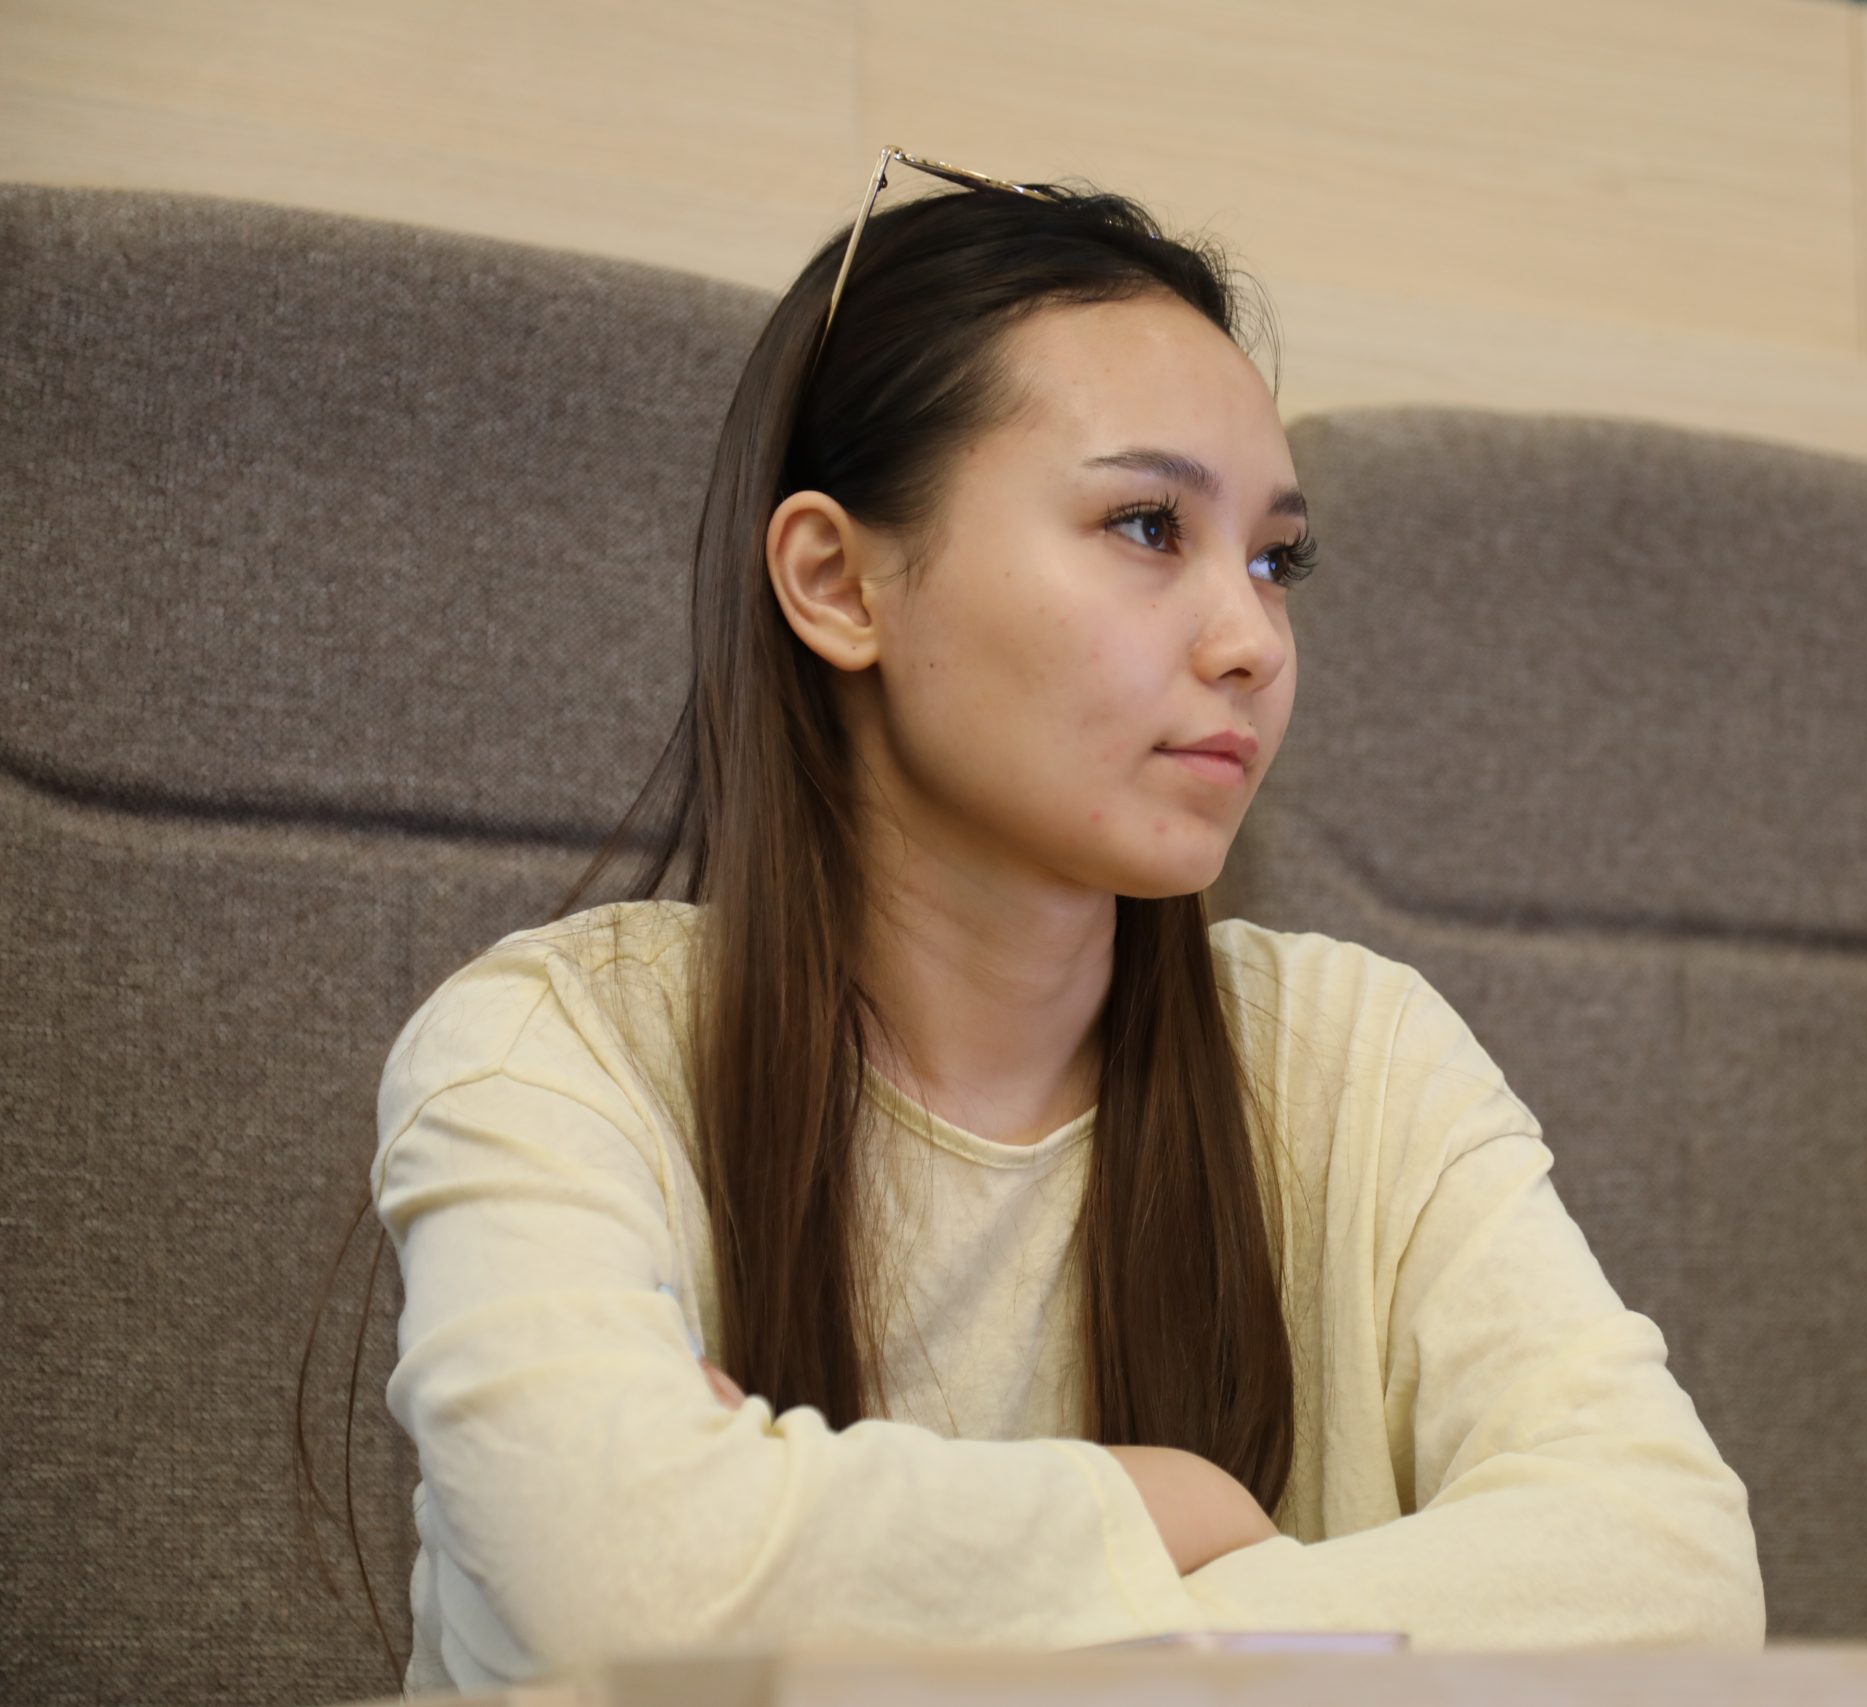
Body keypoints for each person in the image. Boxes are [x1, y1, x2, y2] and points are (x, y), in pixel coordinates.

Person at [358, 166, 1764, 1694]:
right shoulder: (550, 1052)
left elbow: (1676, 1575)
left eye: (1277, 560)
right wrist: (1170, 1509)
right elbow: (623, 1585)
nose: (1252, 640)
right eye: (1148, 524)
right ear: (837, 584)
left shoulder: (1356, 1058)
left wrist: (1105, 1602)